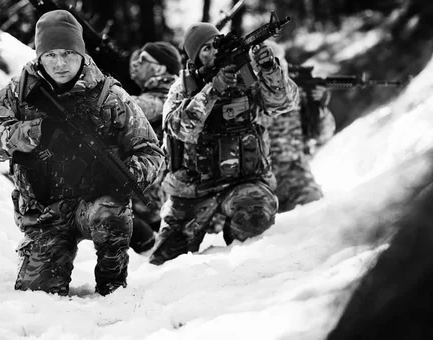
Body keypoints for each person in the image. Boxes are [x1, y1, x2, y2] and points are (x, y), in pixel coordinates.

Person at [0, 10, 163, 295]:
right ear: (39, 55)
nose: (60, 63)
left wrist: (126, 176)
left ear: (81, 53)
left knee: (111, 211)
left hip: (92, 203)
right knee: (37, 295)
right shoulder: (18, 92)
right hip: (43, 213)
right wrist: (36, 131)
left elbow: (151, 151)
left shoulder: (109, 95)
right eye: (51, 54)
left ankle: (112, 284)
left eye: (68, 53)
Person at [149, 22, 300, 265]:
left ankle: (237, 244)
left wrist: (270, 69)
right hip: (193, 191)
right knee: (164, 262)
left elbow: (283, 104)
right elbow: (179, 129)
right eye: (205, 49)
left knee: (255, 219)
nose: (213, 52)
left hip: (243, 181)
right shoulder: (182, 88)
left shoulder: (246, 76)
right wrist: (213, 90)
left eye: (216, 45)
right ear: (195, 58)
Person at [259, 47, 336, 212]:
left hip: (296, 175)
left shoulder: (298, 95)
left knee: (316, 208)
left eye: (278, 64)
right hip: (261, 183)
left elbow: (323, 135)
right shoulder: (247, 100)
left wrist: (319, 109)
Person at [128, 41, 181, 253]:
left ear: (159, 68)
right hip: (151, 199)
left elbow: (130, 108)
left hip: (150, 200)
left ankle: (144, 236)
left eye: (143, 60)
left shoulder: (166, 96)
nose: (136, 64)